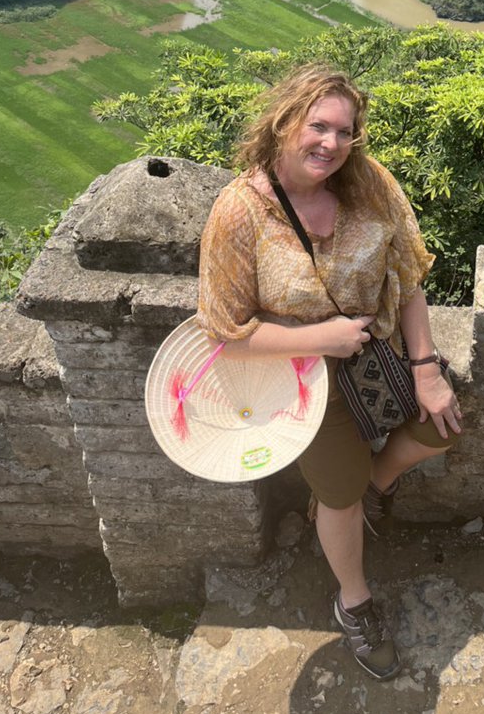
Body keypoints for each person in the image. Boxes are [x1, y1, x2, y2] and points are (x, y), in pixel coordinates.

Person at [196, 64, 463, 680]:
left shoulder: (368, 185)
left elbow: (411, 280)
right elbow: (224, 333)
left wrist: (425, 368)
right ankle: (354, 602)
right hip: (301, 384)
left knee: (442, 426)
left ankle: (372, 484)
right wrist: (324, 339)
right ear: (285, 121)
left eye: (345, 132)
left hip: (376, 356)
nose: (332, 144)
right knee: (339, 493)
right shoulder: (240, 212)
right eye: (319, 126)